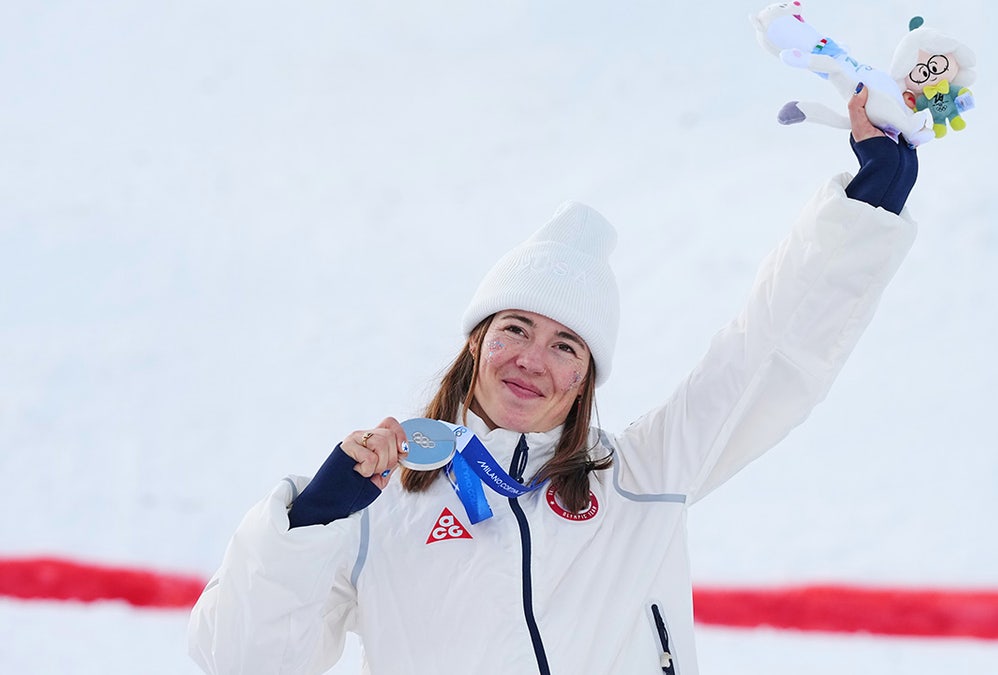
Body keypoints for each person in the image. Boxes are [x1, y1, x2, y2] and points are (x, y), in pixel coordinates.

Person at [188, 86, 919, 675]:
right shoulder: (381, 506)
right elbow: (243, 663)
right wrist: (310, 522)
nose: (532, 359)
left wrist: (866, 208)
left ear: (585, 378)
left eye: (565, 344)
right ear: (477, 343)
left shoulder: (641, 476)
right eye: (514, 328)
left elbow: (766, 355)